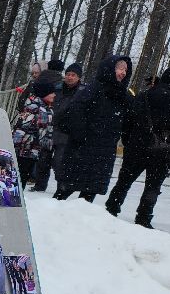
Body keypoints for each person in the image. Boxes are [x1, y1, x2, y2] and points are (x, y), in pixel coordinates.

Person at [106, 65, 170, 227]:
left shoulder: (144, 96)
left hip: (137, 145)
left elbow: (128, 120)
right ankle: (144, 216)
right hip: (163, 151)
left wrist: (128, 140)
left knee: (124, 180)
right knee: (153, 186)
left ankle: (112, 207)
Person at [53, 54, 134, 202]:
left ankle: (80, 222)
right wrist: (81, 135)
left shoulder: (123, 96)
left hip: (104, 150)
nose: (122, 72)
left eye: (125, 69)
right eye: (119, 68)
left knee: (90, 192)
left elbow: (128, 121)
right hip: (83, 148)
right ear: (109, 69)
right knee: (66, 190)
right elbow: (75, 112)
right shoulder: (93, 90)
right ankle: (49, 216)